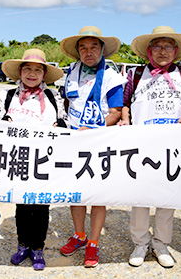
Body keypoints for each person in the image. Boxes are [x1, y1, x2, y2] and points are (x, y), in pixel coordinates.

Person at [118, 26, 181, 268]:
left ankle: (161, 243)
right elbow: (125, 104)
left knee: (168, 197)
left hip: (173, 146)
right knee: (140, 196)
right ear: (148, 50)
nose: (162, 51)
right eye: (157, 46)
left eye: (167, 46)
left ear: (175, 51)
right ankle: (140, 243)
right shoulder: (135, 75)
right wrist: (125, 119)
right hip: (142, 145)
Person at [0, 49, 68, 271]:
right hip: (18, 161)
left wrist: (59, 127)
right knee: (22, 206)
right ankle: (23, 245)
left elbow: (65, 124)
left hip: (45, 162)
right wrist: (3, 121)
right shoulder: (7, 96)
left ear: (44, 73)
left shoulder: (54, 97)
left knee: (41, 207)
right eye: (27, 69)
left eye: (38, 69)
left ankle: (38, 248)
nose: (32, 73)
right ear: (19, 72)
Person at [58, 26, 126, 268]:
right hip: (75, 140)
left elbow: (116, 112)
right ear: (77, 51)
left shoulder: (112, 77)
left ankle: (94, 243)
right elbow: (67, 103)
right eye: (83, 47)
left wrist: (92, 129)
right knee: (75, 192)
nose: (88, 52)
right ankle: (79, 235)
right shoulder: (71, 73)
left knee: (97, 195)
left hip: (100, 141)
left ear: (102, 49)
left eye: (93, 47)